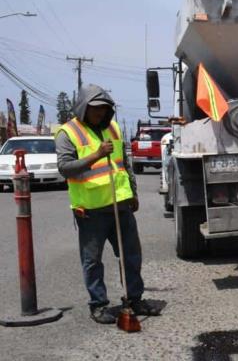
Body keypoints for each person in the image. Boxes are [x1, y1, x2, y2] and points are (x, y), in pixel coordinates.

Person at [56, 84, 160, 324]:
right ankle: (99, 305)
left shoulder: (112, 128)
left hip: (120, 204)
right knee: (92, 261)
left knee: (131, 255)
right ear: (83, 108)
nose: (100, 114)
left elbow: (124, 163)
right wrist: (95, 155)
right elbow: (64, 168)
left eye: (104, 109)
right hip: (91, 210)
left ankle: (134, 299)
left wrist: (133, 192)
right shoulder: (68, 132)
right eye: (95, 109)